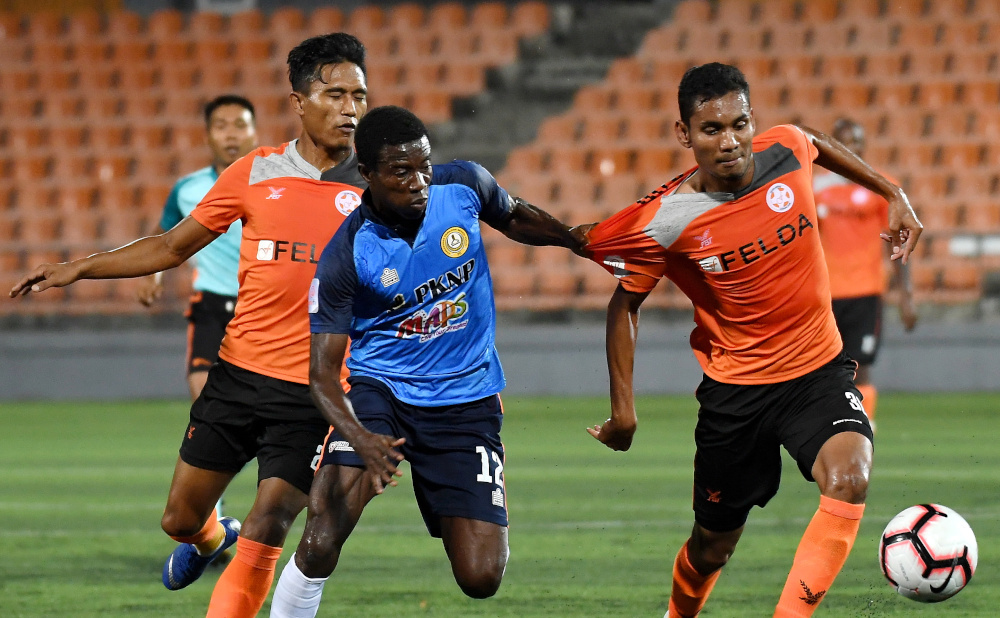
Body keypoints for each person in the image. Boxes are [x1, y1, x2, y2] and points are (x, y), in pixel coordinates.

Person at [9, 33, 572, 618]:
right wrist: (76, 269)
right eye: (335, 95)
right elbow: (172, 247)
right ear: (299, 100)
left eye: (359, 95)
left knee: (270, 521)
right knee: (179, 517)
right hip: (238, 374)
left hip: (317, 391)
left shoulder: (384, 184)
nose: (350, 108)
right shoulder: (257, 172)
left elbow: (449, 240)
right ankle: (209, 537)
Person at [581, 63, 922, 617]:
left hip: (818, 372)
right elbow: (625, 304)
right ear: (684, 134)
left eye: (740, 124)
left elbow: (813, 142)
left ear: (753, 121)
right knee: (712, 547)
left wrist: (892, 192)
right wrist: (623, 410)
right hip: (735, 394)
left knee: (850, 476)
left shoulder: (784, 149)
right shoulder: (671, 219)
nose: (731, 141)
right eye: (711, 129)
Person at [267, 105, 586, 618]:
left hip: (467, 396)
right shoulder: (347, 253)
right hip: (383, 393)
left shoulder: (464, 186)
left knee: (481, 577)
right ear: (367, 174)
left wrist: (574, 239)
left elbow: (515, 215)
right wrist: (362, 435)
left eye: (424, 166)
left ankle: (440, 479)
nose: (418, 182)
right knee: (324, 529)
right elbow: (322, 376)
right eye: (400, 172)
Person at [136, 94, 259, 530]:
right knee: (208, 412)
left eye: (240, 125)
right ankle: (214, 524)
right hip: (210, 309)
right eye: (221, 125)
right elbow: (164, 232)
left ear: (254, 131)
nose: (231, 133)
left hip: (262, 312)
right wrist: (151, 276)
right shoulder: (188, 189)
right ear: (207, 135)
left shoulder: (276, 183)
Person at [814, 117, 918, 432]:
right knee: (822, 367)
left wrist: (906, 296)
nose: (853, 147)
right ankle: (828, 427)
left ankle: (865, 427)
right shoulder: (815, 190)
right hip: (825, 294)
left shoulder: (882, 187)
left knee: (862, 367)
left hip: (866, 291)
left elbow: (897, 244)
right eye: (846, 142)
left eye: (858, 141)